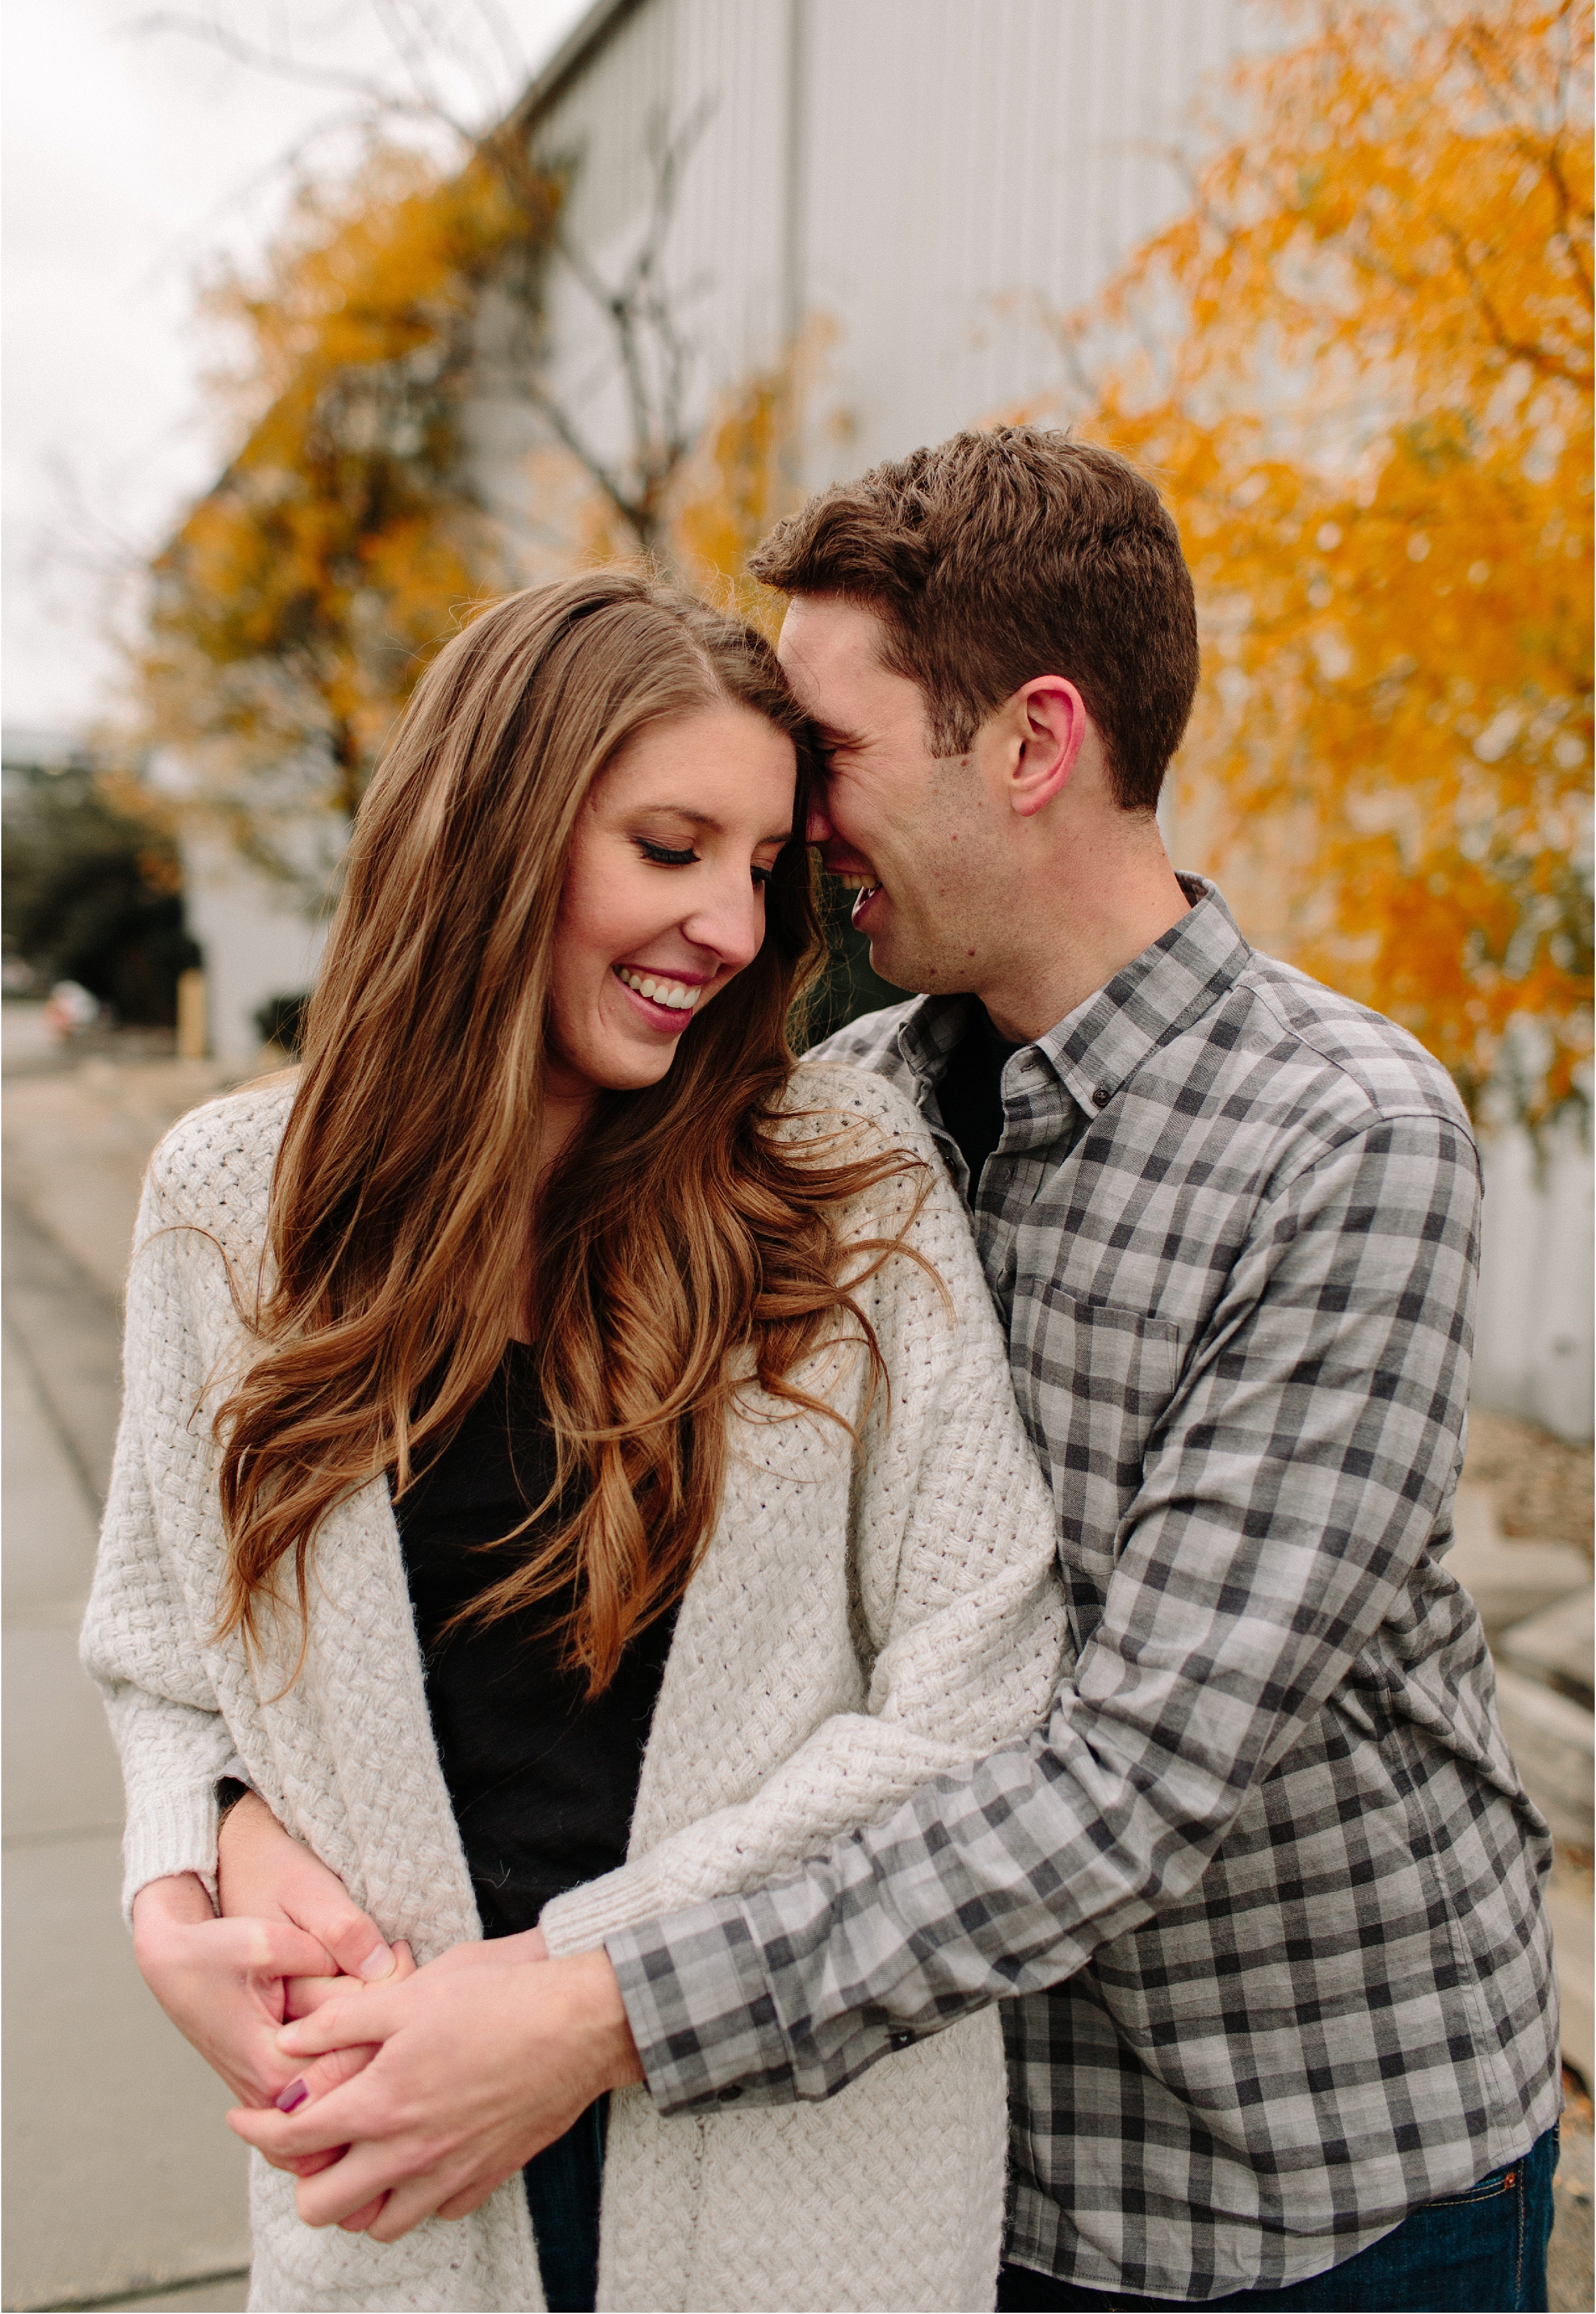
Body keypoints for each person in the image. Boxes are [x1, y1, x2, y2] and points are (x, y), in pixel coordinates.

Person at [231, 431, 1561, 2313]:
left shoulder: (1340, 1142)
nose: (793, 835)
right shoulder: (848, 1114)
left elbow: (1131, 1784)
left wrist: (590, 2009)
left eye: (825, 765)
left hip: (1305, 2182)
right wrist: (228, 1811)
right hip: (935, 2157)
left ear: (1029, 745)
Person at [80, 571, 1070, 2314]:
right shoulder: (228, 1210)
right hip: (389, 2197)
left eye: (764, 867)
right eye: (670, 844)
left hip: (803, 2195)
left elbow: (976, 1703)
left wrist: (562, 2000)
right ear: (493, 831)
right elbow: (163, 1661)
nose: (733, 926)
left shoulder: (847, 1187)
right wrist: (185, 1876)